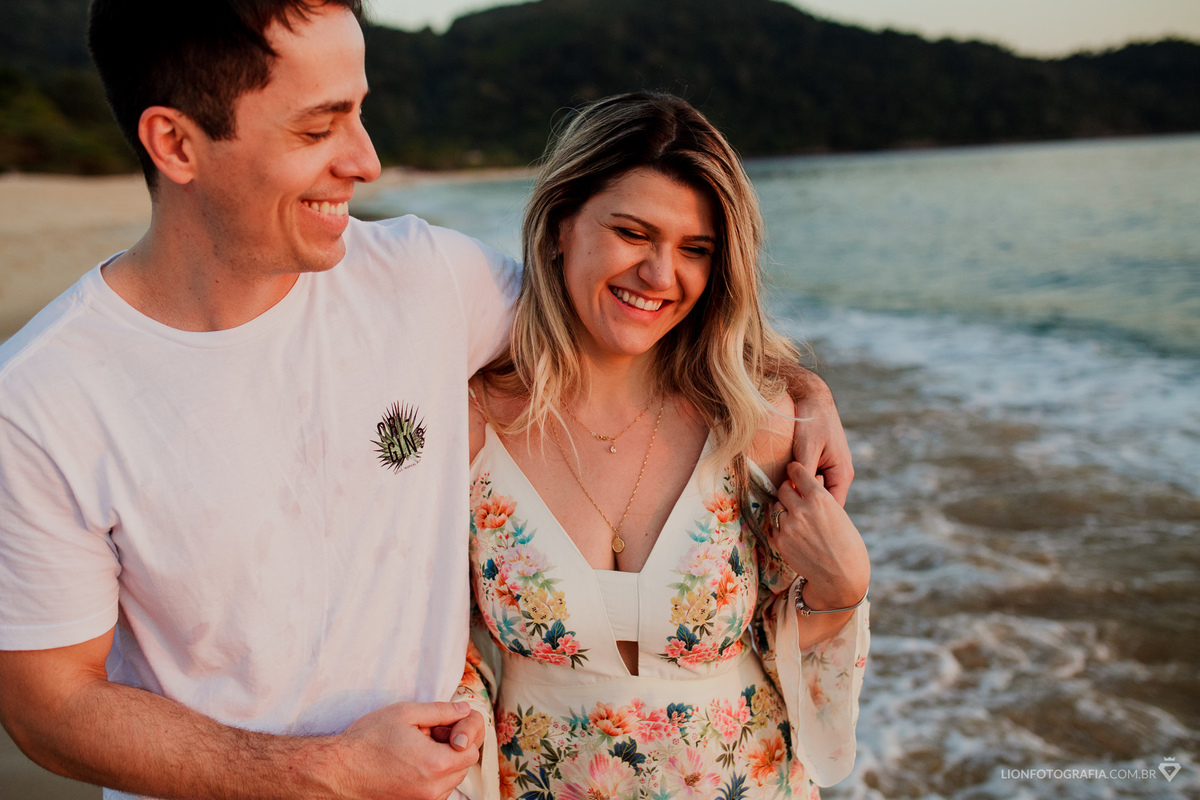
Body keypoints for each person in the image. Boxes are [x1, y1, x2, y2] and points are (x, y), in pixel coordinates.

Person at [0, 4, 854, 800]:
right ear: (175, 144)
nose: (366, 160)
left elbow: (634, 323)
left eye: (359, 112)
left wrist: (803, 396)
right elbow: (50, 708)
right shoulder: (44, 400)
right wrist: (326, 771)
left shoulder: (428, 281)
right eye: (318, 125)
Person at [467, 92, 870, 799]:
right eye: (632, 233)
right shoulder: (472, 422)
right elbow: (433, 642)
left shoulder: (758, 424)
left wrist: (842, 589)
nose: (660, 275)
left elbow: (783, 648)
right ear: (562, 224)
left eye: (694, 250)